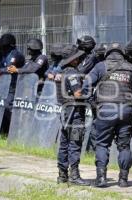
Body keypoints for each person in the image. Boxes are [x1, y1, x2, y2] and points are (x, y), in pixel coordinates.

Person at [76, 42, 132, 187]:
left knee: (102, 144)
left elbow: (86, 85)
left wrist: (91, 103)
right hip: (127, 111)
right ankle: (123, 180)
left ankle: (101, 179)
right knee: (124, 146)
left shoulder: (100, 66)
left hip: (106, 110)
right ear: (122, 54)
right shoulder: (131, 68)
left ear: (107, 53)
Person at [56, 45, 90, 186]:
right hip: (74, 113)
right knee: (75, 143)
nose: (79, 59)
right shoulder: (73, 74)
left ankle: (62, 175)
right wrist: (89, 93)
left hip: (64, 112)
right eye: (77, 57)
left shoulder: (61, 73)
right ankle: (74, 176)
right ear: (73, 59)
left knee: (63, 144)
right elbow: (77, 94)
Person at [0, 33, 25, 134]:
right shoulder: (4, 55)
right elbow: (0, 66)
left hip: (14, 86)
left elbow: (10, 68)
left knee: (8, 106)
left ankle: (16, 130)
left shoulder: (15, 54)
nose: (3, 47)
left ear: (10, 45)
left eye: (5, 45)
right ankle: (5, 131)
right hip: (3, 85)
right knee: (0, 107)